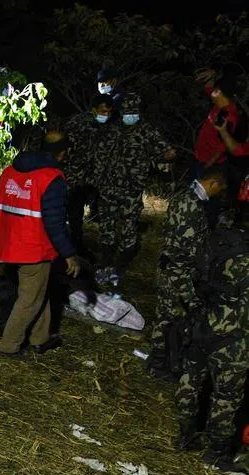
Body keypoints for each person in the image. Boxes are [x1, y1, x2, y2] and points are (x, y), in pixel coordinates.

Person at [0, 131, 82, 356]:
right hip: (34, 248)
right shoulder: (51, 177)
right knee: (29, 299)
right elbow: (55, 222)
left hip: (9, 243)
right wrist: (69, 254)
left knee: (37, 291)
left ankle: (40, 338)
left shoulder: (10, 171)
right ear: (62, 153)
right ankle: (9, 345)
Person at [175, 227, 249, 468]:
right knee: (226, 397)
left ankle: (185, 435)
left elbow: (184, 275)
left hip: (202, 326)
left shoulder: (217, 241)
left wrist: (196, 309)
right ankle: (217, 452)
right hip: (234, 337)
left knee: (190, 382)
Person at [147, 168, 227, 381]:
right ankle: (158, 364)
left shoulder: (187, 197)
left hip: (175, 269)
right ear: (213, 183)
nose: (217, 194)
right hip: (176, 272)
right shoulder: (190, 204)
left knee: (169, 317)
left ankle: (161, 361)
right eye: (219, 190)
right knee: (168, 319)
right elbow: (185, 247)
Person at [96, 92, 176, 286]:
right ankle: (104, 266)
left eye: (133, 111)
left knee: (128, 230)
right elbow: (100, 152)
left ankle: (119, 269)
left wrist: (151, 160)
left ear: (139, 111)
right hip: (109, 187)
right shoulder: (112, 129)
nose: (129, 114)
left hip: (131, 189)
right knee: (106, 227)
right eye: (126, 111)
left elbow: (170, 152)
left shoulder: (148, 131)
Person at [63, 95, 113, 258]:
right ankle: (71, 247)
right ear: (93, 110)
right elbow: (68, 151)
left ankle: (77, 245)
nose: (106, 115)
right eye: (103, 111)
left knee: (78, 215)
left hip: (90, 179)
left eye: (109, 112)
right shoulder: (77, 123)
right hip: (74, 177)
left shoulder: (104, 126)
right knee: (72, 214)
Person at [194, 74, 240, 174]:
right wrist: (211, 75)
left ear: (221, 94)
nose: (212, 94)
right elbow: (208, 88)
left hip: (209, 162)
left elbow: (224, 144)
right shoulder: (219, 104)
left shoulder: (227, 115)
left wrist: (210, 163)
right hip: (200, 155)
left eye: (215, 91)